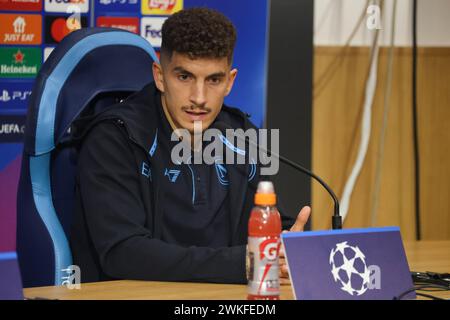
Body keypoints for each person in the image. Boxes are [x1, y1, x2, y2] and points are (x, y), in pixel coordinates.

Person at [70, 7, 311, 284]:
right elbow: (123, 253)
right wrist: (244, 263)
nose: (199, 97)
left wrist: (292, 246)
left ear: (230, 82)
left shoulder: (243, 136)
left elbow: (262, 227)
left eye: (213, 80)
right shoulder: (114, 139)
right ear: (160, 76)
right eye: (184, 77)